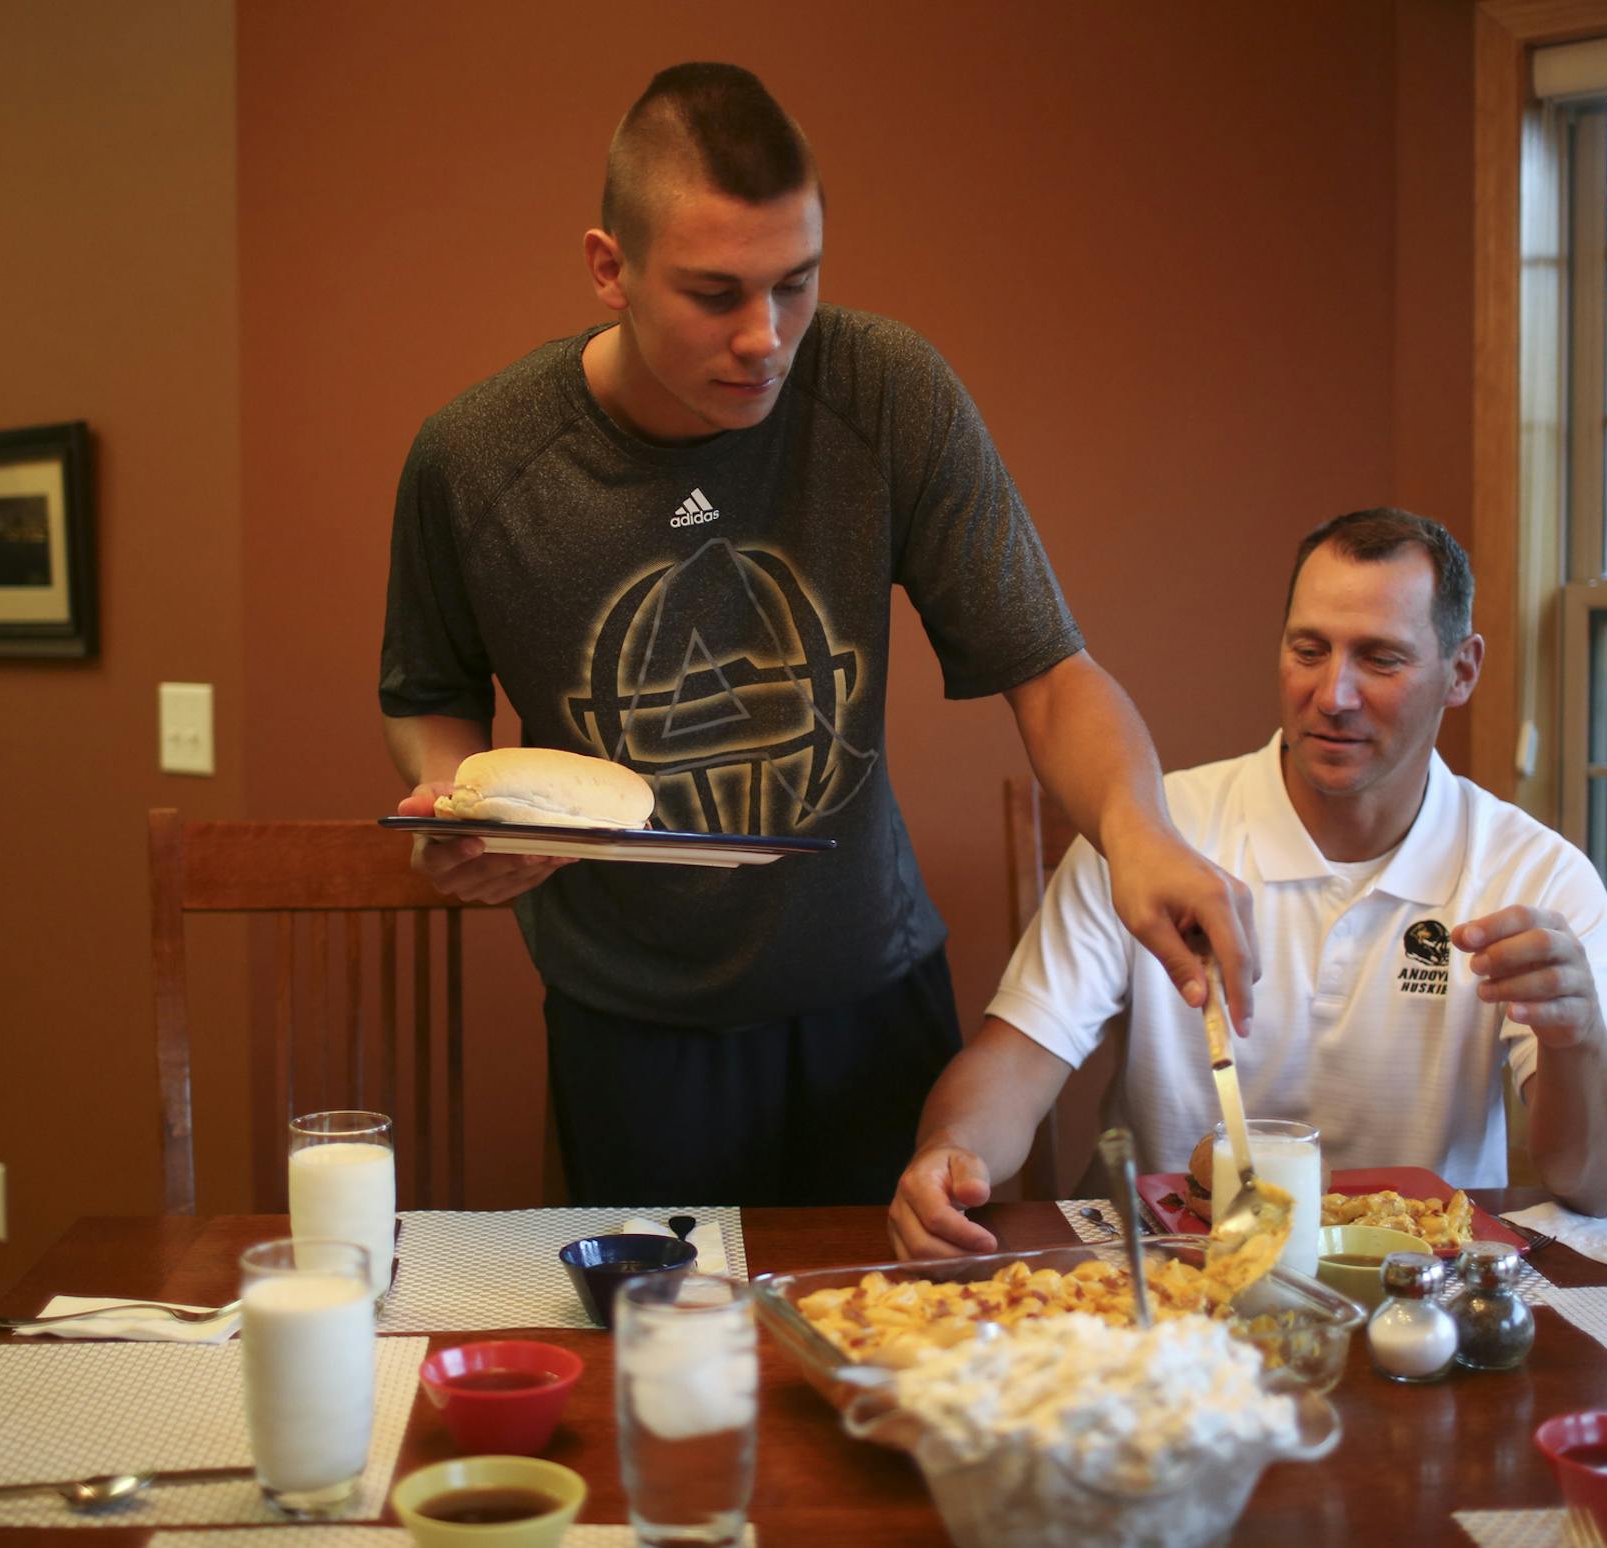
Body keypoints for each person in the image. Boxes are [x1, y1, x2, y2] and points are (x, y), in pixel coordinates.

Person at [379, 62, 1255, 1206]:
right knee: (669, 1363)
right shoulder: (475, 457)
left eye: (797, 284)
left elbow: (1047, 673)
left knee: (893, 1347)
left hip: (870, 997)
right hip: (630, 1021)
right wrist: (462, 800)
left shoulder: (888, 390)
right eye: (715, 294)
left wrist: (1137, 832)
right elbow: (427, 691)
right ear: (610, 268)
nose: (767, 338)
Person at [889, 508, 1607, 1256]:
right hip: (1156, 1281)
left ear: (1462, 671)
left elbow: (1599, 1185)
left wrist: (1576, 1038)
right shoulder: (1151, 834)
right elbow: (1015, 1061)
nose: (1333, 695)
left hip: (1414, 1290)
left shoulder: (1536, 876)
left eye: (1380, 659)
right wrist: (951, 1152)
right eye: (1308, 649)